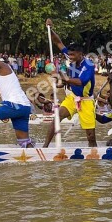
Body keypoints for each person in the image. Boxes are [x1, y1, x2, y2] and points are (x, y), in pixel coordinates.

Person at [43, 19, 97, 147]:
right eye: (69, 55)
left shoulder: (88, 65)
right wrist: (50, 28)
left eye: (73, 55)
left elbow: (80, 82)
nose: (70, 57)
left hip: (86, 101)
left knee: (91, 136)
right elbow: (57, 42)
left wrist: (63, 77)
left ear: (80, 54)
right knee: (56, 118)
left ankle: (93, 155)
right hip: (72, 98)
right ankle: (45, 148)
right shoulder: (70, 56)